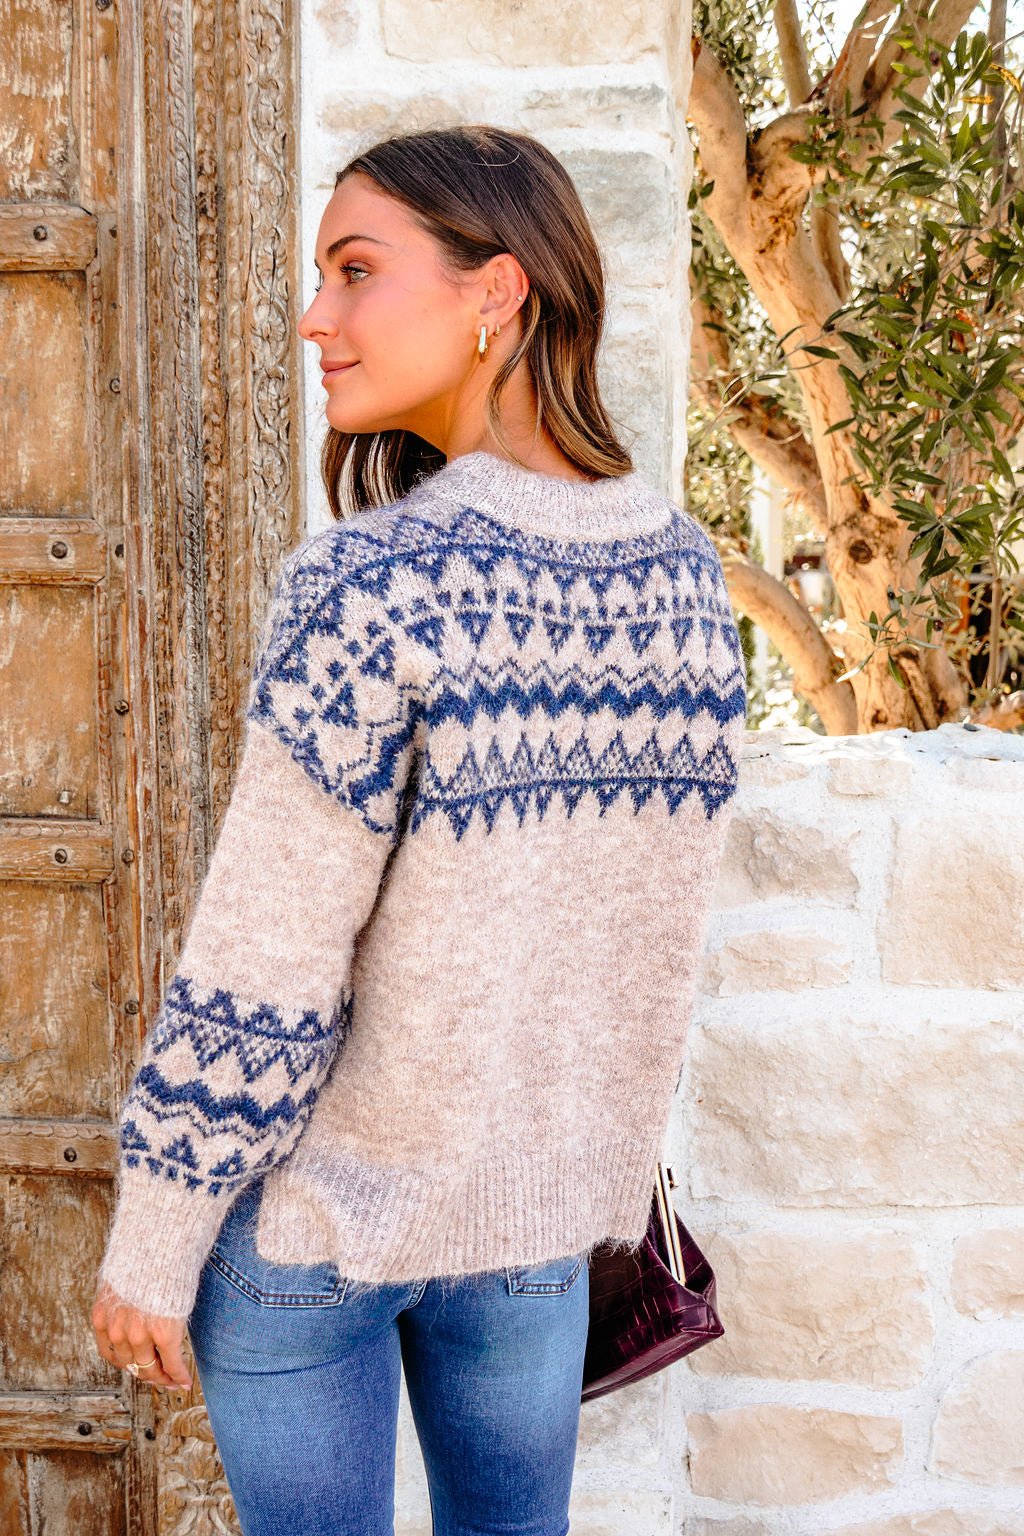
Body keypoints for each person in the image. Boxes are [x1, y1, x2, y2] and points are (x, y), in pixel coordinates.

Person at [91, 123, 748, 1535]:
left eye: (354, 270)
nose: (315, 317)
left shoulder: (375, 583)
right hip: (534, 1234)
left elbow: (270, 952)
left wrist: (153, 1237)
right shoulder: (688, 581)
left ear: (495, 294)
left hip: (320, 1233)